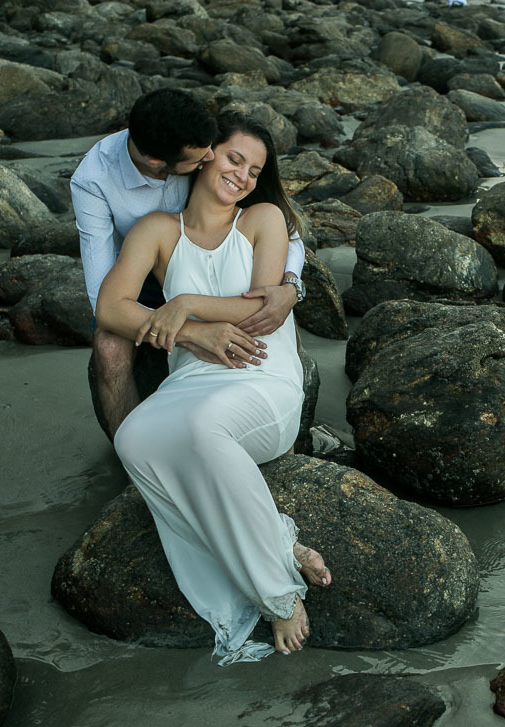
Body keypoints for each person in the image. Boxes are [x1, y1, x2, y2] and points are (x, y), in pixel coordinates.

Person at [95, 111, 328, 662]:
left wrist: (184, 305)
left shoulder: (262, 218)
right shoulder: (156, 230)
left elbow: (261, 307)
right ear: (205, 157)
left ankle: (278, 593)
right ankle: (280, 541)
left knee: (202, 431)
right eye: (233, 158)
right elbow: (111, 308)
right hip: (192, 378)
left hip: (261, 376)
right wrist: (194, 332)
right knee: (133, 439)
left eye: (254, 169)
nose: (243, 175)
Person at [72, 88, 307, 436]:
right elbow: (103, 300)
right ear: (157, 163)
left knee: (273, 314)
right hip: (139, 267)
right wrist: (191, 332)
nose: (209, 156)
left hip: (210, 247)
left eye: (212, 149)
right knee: (108, 347)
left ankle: (285, 416)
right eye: (199, 160)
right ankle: (130, 446)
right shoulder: (94, 180)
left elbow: (286, 230)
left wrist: (290, 284)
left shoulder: (190, 135)